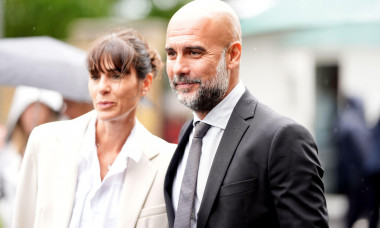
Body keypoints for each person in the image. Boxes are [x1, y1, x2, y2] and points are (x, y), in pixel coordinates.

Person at [163, 1, 329, 227]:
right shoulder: (188, 133)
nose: (179, 67)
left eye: (194, 52)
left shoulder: (282, 138)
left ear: (233, 55)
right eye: (172, 54)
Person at [13, 28, 176, 228]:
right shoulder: (45, 142)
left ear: (145, 83)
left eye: (116, 76)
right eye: (95, 76)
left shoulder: (168, 161)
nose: (102, 87)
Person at [0, 86, 63, 228]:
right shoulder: (8, 150)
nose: (32, 114)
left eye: (38, 108)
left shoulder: (58, 148)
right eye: (27, 108)